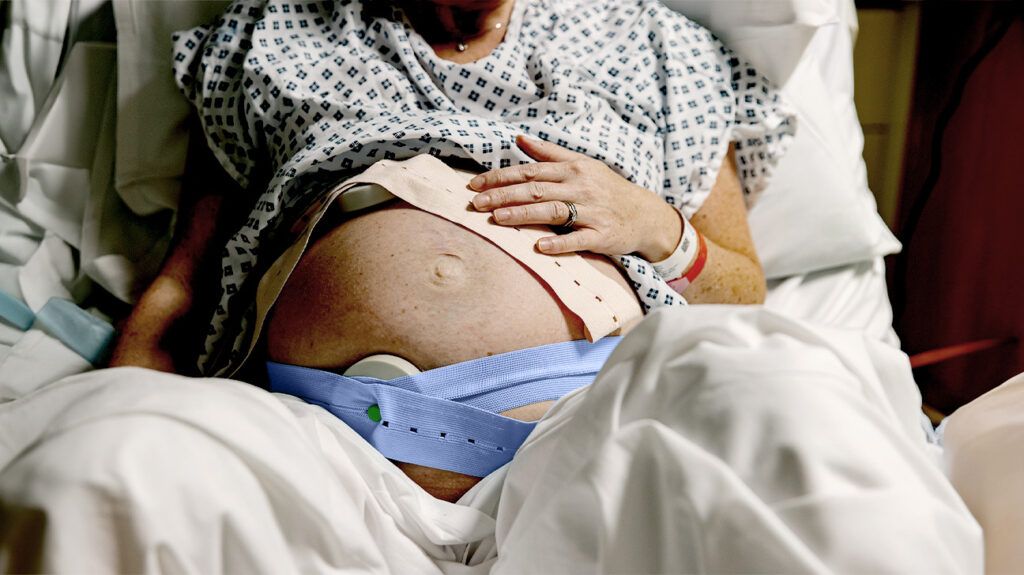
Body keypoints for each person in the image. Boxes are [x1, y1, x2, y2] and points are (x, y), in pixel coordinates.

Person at [110, 0, 790, 501]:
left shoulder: (654, 46)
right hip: (311, 441)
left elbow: (742, 289)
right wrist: (123, 411)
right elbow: (186, 279)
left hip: (584, 439)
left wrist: (654, 224)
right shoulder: (273, 35)